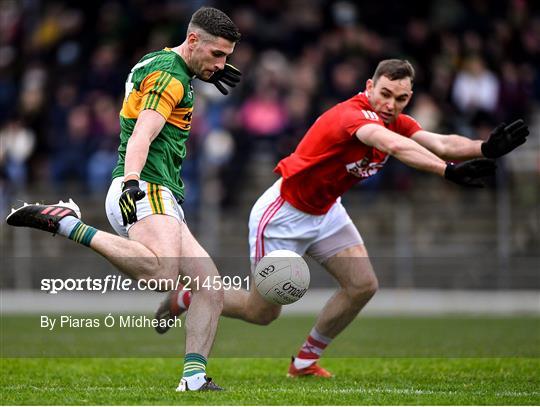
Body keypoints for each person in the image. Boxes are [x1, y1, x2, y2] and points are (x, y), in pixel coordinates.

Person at [154, 59, 529, 377]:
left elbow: (441, 142)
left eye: (400, 98)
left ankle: (304, 361)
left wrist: (485, 148)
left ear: (408, 97)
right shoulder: (352, 115)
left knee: (363, 285)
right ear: (369, 86)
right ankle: (190, 296)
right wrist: (446, 172)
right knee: (262, 312)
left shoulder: (395, 118)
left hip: (326, 211)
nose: (390, 104)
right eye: (384, 93)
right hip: (283, 214)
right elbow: (393, 146)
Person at [6, 7, 242, 391]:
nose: (222, 64)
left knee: (209, 285)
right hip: (146, 185)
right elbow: (142, 135)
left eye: (227, 56)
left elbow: (143, 86)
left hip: (155, 189)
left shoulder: (161, 61)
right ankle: (69, 224)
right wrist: (133, 180)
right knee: (163, 273)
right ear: (193, 40)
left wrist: (204, 71)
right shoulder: (170, 78)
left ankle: (193, 378)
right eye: (217, 54)